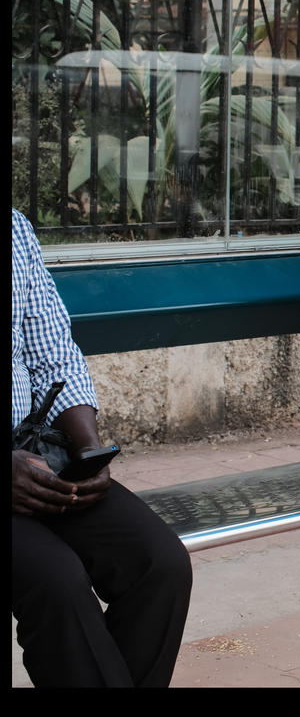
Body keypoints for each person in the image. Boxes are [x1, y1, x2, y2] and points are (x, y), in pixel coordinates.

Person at [11, 209, 193, 687]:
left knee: (159, 564)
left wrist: (88, 449)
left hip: (33, 450)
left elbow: (53, 353)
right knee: (57, 582)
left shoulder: (13, 228)